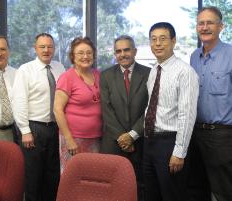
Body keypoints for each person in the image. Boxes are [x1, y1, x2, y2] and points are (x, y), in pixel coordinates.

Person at [143, 22, 199, 201]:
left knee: (172, 195)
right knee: (151, 194)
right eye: (153, 39)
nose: (157, 43)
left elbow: (187, 115)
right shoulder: (153, 71)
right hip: (149, 142)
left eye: (163, 39)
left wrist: (179, 152)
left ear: (173, 41)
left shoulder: (185, 72)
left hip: (170, 144)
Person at [12, 33, 65, 201]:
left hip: (55, 128)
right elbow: (19, 101)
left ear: (54, 49)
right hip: (34, 128)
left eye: (49, 46)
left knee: (53, 175)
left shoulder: (60, 68)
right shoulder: (25, 70)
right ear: (35, 48)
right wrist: (25, 131)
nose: (46, 50)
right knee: (33, 176)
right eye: (42, 47)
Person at [187, 6, 232, 201]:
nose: (204, 27)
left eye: (210, 23)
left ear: (221, 26)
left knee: (224, 188)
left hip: (222, 135)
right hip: (195, 132)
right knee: (197, 185)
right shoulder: (193, 57)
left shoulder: (230, 54)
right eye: (201, 23)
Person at [100, 35, 150, 201]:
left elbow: (151, 109)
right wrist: (122, 137)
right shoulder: (106, 75)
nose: (122, 54)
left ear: (134, 51)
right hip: (113, 142)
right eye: (118, 51)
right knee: (111, 186)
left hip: (140, 141)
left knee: (139, 184)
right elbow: (106, 109)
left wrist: (132, 135)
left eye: (126, 50)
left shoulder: (150, 73)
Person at [54, 36, 102, 171]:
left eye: (89, 53)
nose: (85, 56)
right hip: (74, 139)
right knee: (73, 177)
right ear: (73, 56)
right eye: (80, 53)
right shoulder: (67, 77)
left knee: (93, 175)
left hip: (96, 138)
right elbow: (57, 110)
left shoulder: (99, 75)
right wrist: (69, 140)